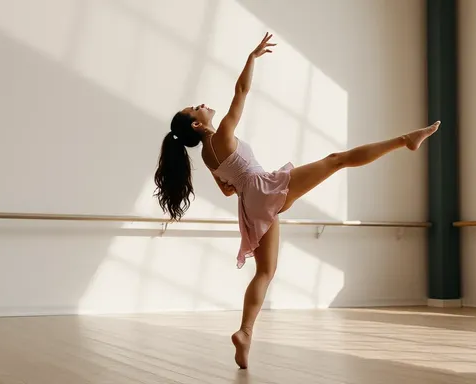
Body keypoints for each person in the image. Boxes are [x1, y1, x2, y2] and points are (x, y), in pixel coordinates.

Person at [154, 32, 439, 369]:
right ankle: (405, 140)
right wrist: (252, 57)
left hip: (249, 203)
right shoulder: (222, 134)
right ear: (199, 124)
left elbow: (227, 189)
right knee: (337, 159)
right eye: (195, 108)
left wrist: (242, 180)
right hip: (262, 188)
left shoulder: (207, 155)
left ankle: (245, 333)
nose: (200, 103)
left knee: (265, 271)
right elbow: (241, 91)